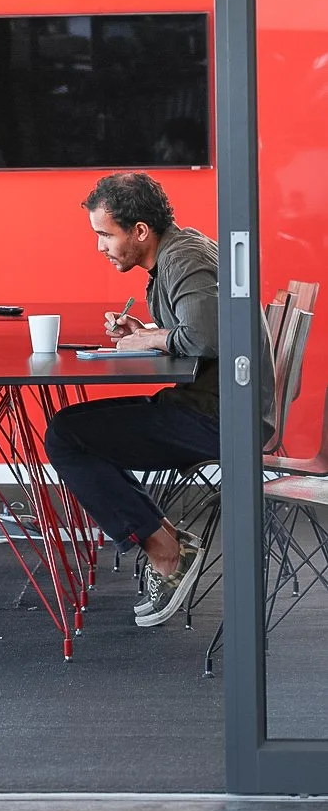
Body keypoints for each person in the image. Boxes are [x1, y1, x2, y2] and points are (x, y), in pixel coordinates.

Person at [44, 172, 274, 629]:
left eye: (105, 235)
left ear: (141, 230)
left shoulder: (184, 259)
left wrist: (154, 338)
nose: (100, 247)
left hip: (221, 418)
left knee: (67, 437)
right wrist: (147, 336)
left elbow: (206, 336)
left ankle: (168, 554)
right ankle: (168, 542)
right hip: (208, 405)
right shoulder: (175, 255)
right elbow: (192, 333)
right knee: (71, 429)